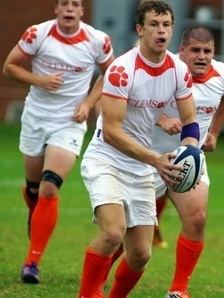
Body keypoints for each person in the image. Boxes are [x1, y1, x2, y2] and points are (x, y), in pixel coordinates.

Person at [102, 25, 224, 298]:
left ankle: (179, 289)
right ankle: (100, 275)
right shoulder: (165, 71)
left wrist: (214, 132)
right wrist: (161, 118)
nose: (202, 57)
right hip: (147, 160)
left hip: (188, 159)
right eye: (195, 51)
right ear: (182, 50)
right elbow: (133, 105)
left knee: (197, 219)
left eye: (207, 51)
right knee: (129, 232)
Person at [77, 1, 199, 298]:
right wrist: (155, 159)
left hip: (141, 165)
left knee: (141, 254)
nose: (161, 31)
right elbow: (112, 132)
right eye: (154, 24)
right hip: (106, 159)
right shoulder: (121, 69)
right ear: (140, 29)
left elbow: (190, 122)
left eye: (166, 25)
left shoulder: (178, 70)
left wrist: (188, 152)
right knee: (112, 233)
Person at [2, 0, 115, 284]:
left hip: (69, 122)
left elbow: (110, 74)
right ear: (56, 9)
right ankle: (34, 210)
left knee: (50, 187)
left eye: (74, 3)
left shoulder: (97, 40)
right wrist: (39, 80)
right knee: (34, 188)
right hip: (36, 118)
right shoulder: (37, 33)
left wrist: (89, 103)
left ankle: (32, 262)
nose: (69, 8)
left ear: (81, 11)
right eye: (64, 3)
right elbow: (10, 67)